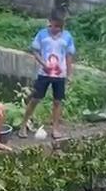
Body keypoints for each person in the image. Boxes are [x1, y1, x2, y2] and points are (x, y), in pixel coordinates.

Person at [19, 8, 76, 139]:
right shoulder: (42, 34)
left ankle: (55, 128)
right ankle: (23, 125)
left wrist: (69, 74)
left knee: (57, 101)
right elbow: (35, 50)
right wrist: (43, 63)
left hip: (60, 75)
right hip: (44, 73)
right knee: (35, 99)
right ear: (50, 21)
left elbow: (69, 56)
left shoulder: (67, 37)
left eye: (60, 27)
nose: (57, 29)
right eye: (55, 25)